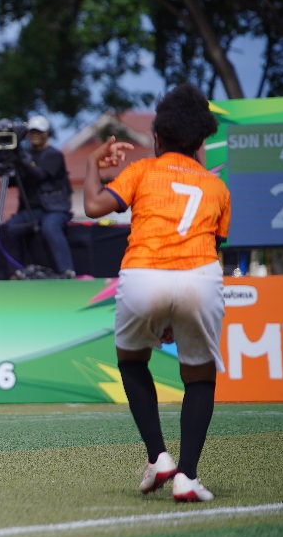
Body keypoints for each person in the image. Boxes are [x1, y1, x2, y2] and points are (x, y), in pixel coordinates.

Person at [82, 84, 229, 502]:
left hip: (144, 274)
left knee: (132, 361)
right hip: (200, 276)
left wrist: (93, 162)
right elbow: (215, 244)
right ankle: (188, 476)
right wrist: (176, 315)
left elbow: (93, 207)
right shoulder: (216, 187)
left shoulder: (143, 170)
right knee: (199, 377)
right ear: (201, 143)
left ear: (157, 137)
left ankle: (159, 457)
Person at [0, 115, 75, 278]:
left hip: (54, 209)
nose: (34, 135)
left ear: (47, 133)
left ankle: (67, 270)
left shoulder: (53, 155)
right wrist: (3, 162)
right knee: (9, 228)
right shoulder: (24, 155)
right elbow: (13, 180)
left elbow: (40, 175)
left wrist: (22, 158)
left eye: (38, 132)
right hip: (32, 210)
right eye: (32, 132)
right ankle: (16, 272)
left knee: (50, 227)